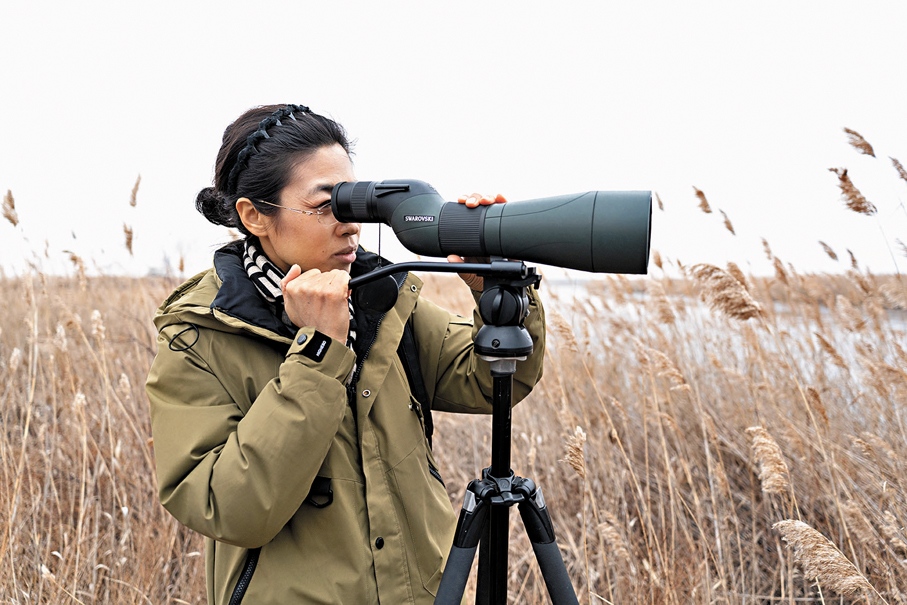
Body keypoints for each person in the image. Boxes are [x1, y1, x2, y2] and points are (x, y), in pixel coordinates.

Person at [145, 104, 546, 604]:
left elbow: (490, 380)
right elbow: (227, 507)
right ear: (254, 216)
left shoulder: (383, 296)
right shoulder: (201, 333)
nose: (350, 225)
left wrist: (501, 296)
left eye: (353, 202)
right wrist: (318, 350)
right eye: (324, 205)